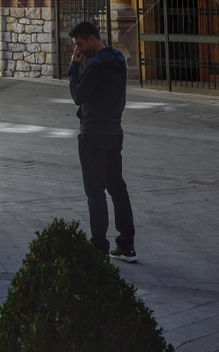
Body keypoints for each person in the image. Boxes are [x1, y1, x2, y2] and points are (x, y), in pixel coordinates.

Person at [68, 20, 137, 262]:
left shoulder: (96, 66)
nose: (78, 49)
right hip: (113, 132)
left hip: (93, 135)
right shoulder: (118, 59)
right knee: (117, 188)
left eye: (79, 44)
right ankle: (126, 245)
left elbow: (78, 96)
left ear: (91, 39)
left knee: (95, 193)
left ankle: (99, 248)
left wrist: (73, 68)